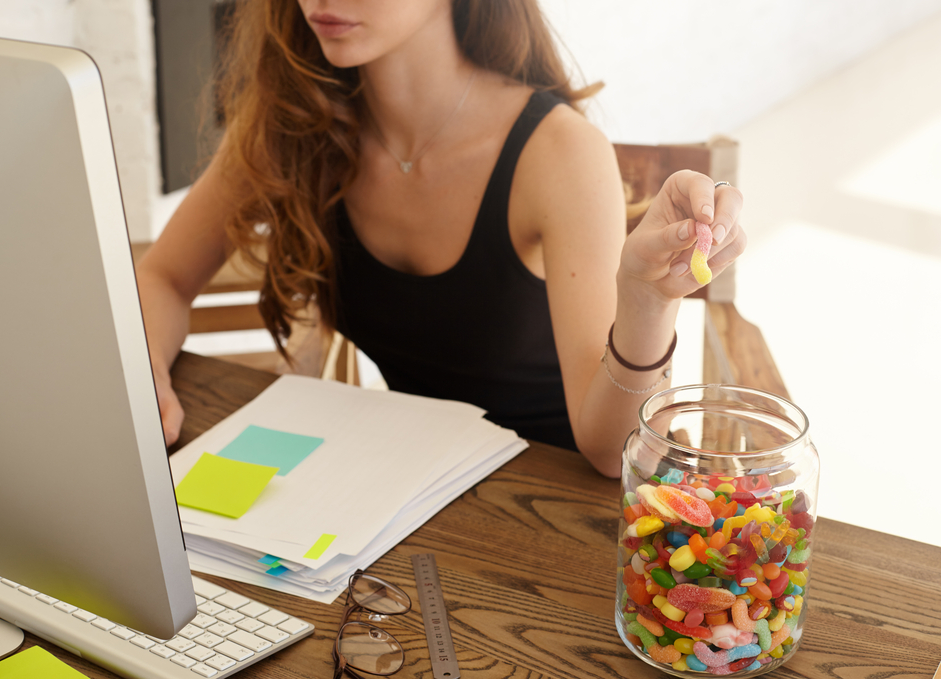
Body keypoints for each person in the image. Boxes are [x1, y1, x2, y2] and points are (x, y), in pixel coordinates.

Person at [135, 0, 746, 478]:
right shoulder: (297, 123)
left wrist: (646, 300)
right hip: (414, 491)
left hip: (562, 510)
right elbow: (162, 275)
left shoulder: (558, 154)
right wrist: (144, 374)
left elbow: (612, 455)